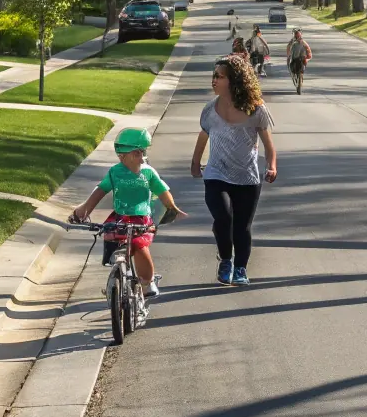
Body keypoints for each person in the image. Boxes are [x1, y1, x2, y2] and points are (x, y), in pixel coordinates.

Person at [70, 127, 188, 299]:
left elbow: (163, 192)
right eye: (136, 154)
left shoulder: (148, 173)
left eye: (142, 153)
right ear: (122, 156)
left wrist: (172, 209)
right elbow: (99, 192)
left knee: (139, 245)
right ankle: (118, 274)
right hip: (120, 216)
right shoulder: (115, 172)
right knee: (110, 236)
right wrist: (83, 210)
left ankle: (147, 282)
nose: (140, 158)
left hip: (142, 218)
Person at [192, 55, 278, 287]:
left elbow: (268, 144)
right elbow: (203, 135)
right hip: (216, 173)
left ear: (234, 80)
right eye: (214, 76)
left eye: (220, 77)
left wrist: (271, 165)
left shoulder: (255, 110)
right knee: (223, 216)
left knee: (242, 226)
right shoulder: (209, 110)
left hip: (247, 177)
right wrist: (195, 163)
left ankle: (240, 268)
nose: (214, 80)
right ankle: (226, 260)